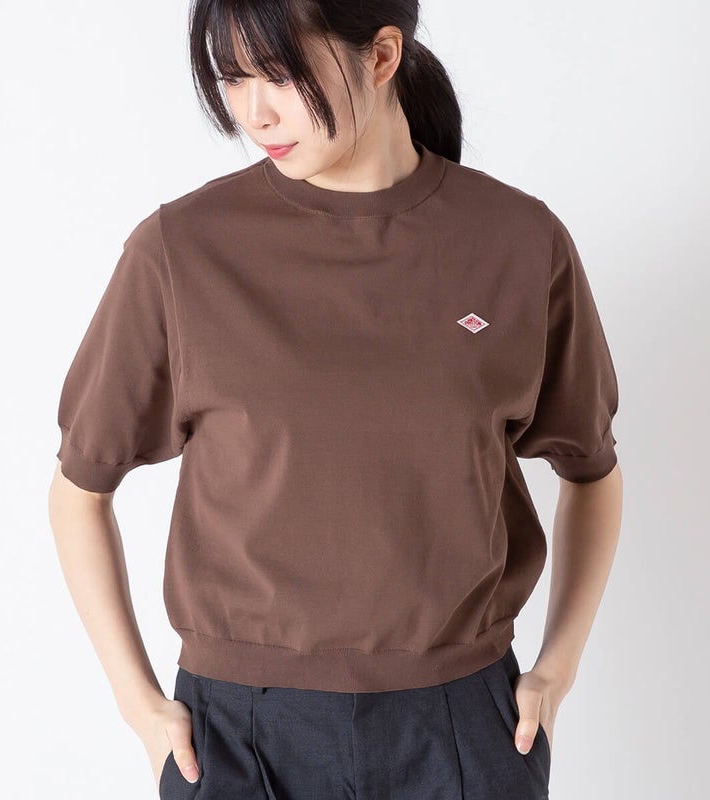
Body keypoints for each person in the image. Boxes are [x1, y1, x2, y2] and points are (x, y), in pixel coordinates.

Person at [48, 1, 624, 798]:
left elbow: (592, 471)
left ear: (381, 56)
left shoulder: (520, 242)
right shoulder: (181, 252)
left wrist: (556, 670)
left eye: (279, 75)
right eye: (231, 78)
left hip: (462, 726)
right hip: (237, 734)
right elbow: (79, 491)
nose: (253, 113)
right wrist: (139, 705)